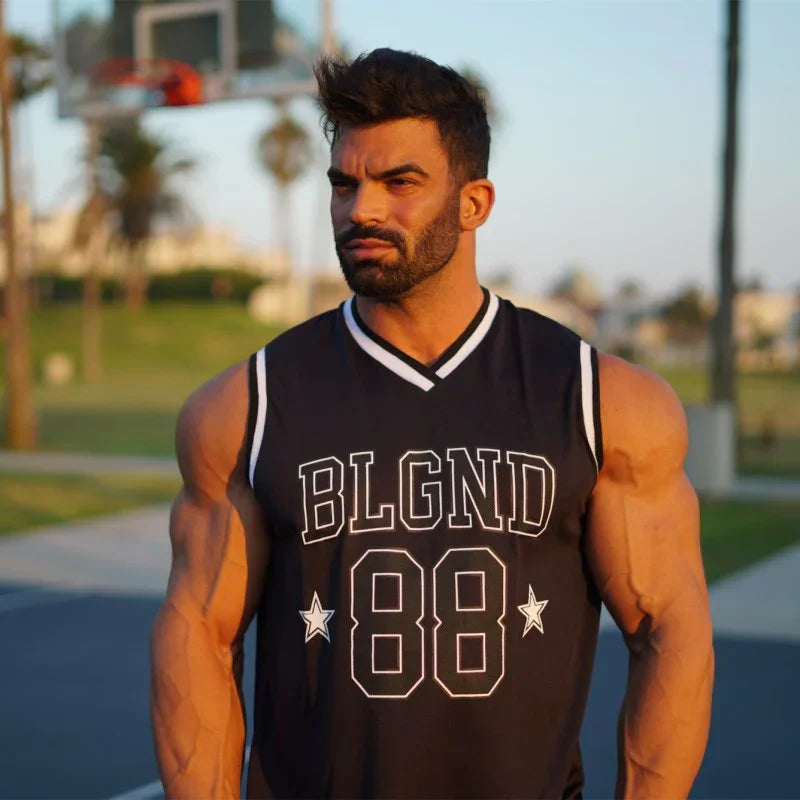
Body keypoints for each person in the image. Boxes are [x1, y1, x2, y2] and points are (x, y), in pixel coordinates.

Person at [150, 48, 714, 799]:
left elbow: (669, 629)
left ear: (474, 203)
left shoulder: (596, 398)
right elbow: (195, 634)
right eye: (344, 184)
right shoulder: (246, 407)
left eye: (399, 183)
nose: (362, 210)